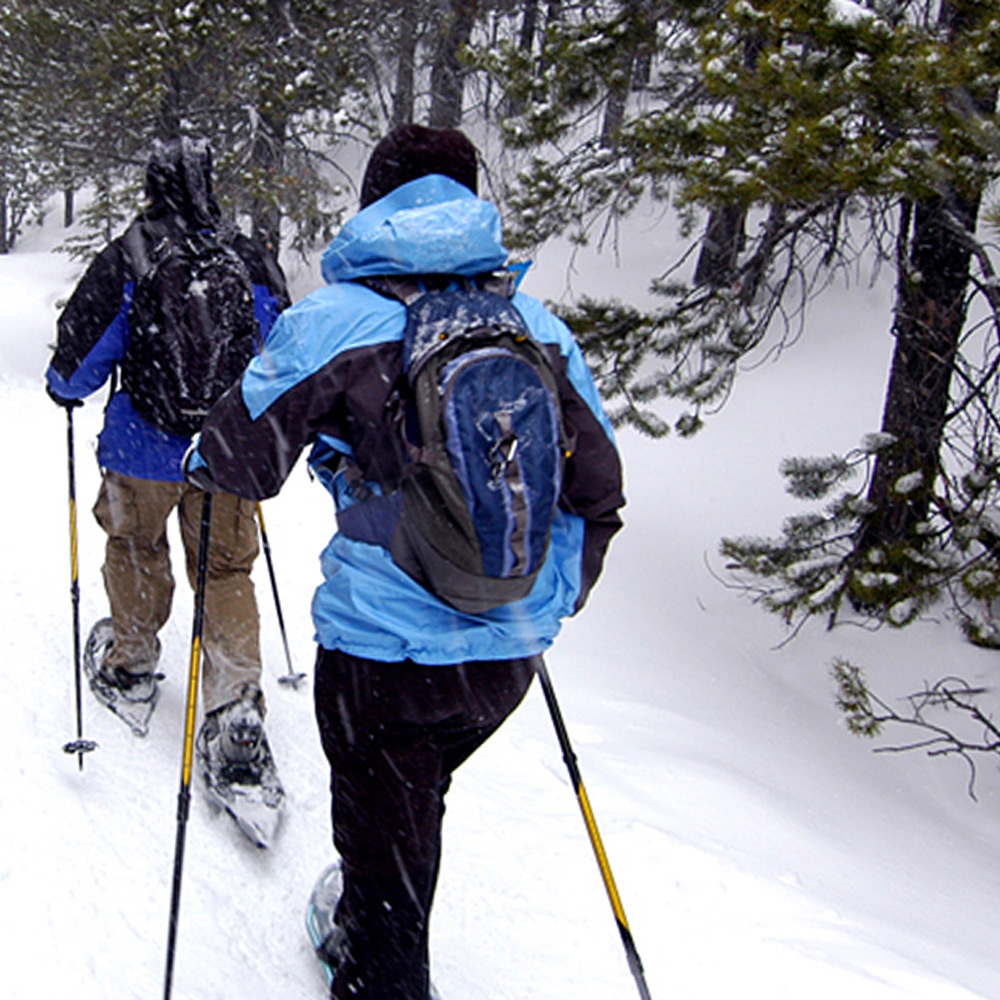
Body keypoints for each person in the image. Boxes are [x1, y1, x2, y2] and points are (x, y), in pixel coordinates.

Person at [185, 124, 625, 999]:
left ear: (375, 202)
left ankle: (377, 953)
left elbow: (236, 461)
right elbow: (600, 485)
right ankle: (376, 905)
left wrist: (205, 455)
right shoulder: (534, 324)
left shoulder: (340, 320)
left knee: (387, 829)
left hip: (383, 656)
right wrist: (548, 596)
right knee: (415, 800)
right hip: (505, 660)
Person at [45, 136, 290, 785]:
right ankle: (235, 700)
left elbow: (78, 359)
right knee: (228, 570)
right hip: (225, 454)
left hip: (139, 450)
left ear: (152, 185)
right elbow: (283, 353)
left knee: (134, 545)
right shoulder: (246, 257)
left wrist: (64, 385)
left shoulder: (129, 254)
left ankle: (129, 661)